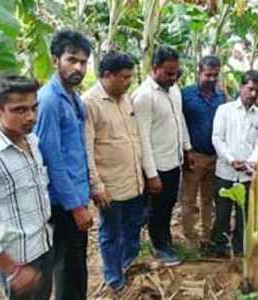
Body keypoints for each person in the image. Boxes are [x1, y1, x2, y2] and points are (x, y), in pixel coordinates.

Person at [0, 75, 53, 300]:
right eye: (20, 110)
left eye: (34, 108)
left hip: (44, 246)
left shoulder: (32, 141)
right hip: (16, 262)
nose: (31, 116)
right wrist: (11, 268)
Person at [34, 29, 93, 300]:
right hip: (64, 203)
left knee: (76, 267)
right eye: (72, 60)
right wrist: (76, 207)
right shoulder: (48, 101)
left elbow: (76, 152)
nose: (78, 67)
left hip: (77, 195)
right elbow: (52, 159)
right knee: (68, 270)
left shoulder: (74, 98)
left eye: (83, 62)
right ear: (55, 59)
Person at [83, 51, 144, 294]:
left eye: (131, 77)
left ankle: (128, 262)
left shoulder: (126, 99)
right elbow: (87, 147)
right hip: (110, 185)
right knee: (110, 233)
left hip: (134, 179)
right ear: (107, 75)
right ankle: (113, 274)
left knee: (133, 225)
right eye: (125, 77)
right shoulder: (90, 103)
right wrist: (96, 185)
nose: (129, 82)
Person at [132, 46, 193, 266]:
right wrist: (151, 174)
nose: (173, 77)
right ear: (154, 68)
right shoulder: (143, 97)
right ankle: (158, 247)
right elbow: (142, 139)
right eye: (168, 73)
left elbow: (180, 120)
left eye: (176, 72)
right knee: (156, 210)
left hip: (173, 161)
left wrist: (186, 148)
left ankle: (165, 240)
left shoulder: (173, 89)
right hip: (157, 166)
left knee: (167, 205)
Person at [210, 70, 258, 256]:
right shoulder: (224, 111)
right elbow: (218, 138)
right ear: (241, 87)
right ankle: (218, 248)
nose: (253, 94)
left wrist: (251, 162)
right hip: (225, 172)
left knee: (245, 215)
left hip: (248, 174)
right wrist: (231, 159)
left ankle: (240, 248)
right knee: (222, 214)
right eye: (250, 89)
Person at [181, 55, 225, 249]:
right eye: (208, 75)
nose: (212, 79)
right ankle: (190, 239)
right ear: (199, 73)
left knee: (208, 198)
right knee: (188, 200)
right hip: (194, 156)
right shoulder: (185, 95)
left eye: (216, 75)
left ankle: (206, 236)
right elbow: (179, 124)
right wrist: (186, 151)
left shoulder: (221, 96)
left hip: (215, 156)